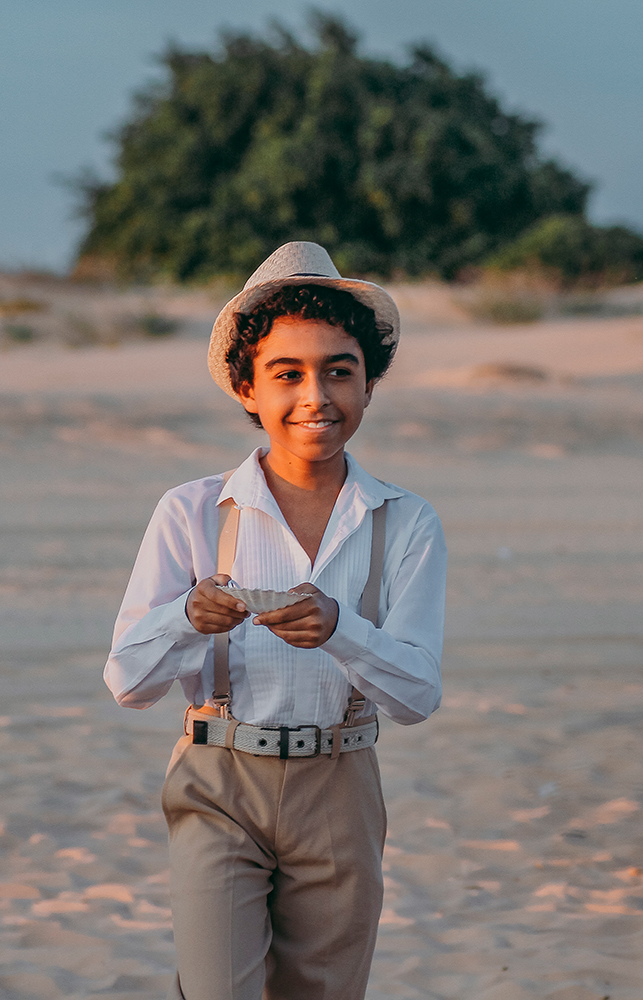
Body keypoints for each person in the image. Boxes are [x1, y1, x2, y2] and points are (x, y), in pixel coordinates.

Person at [104, 241, 447, 1000]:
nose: (314, 396)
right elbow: (127, 679)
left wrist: (340, 630)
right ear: (246, 389)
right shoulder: (191, 510)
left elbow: (417, 695)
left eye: (338, 370)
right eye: (285, 374)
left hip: (341, 782)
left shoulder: (404, 521)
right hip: (217, 778)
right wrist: (188, 616)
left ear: (368, 383)